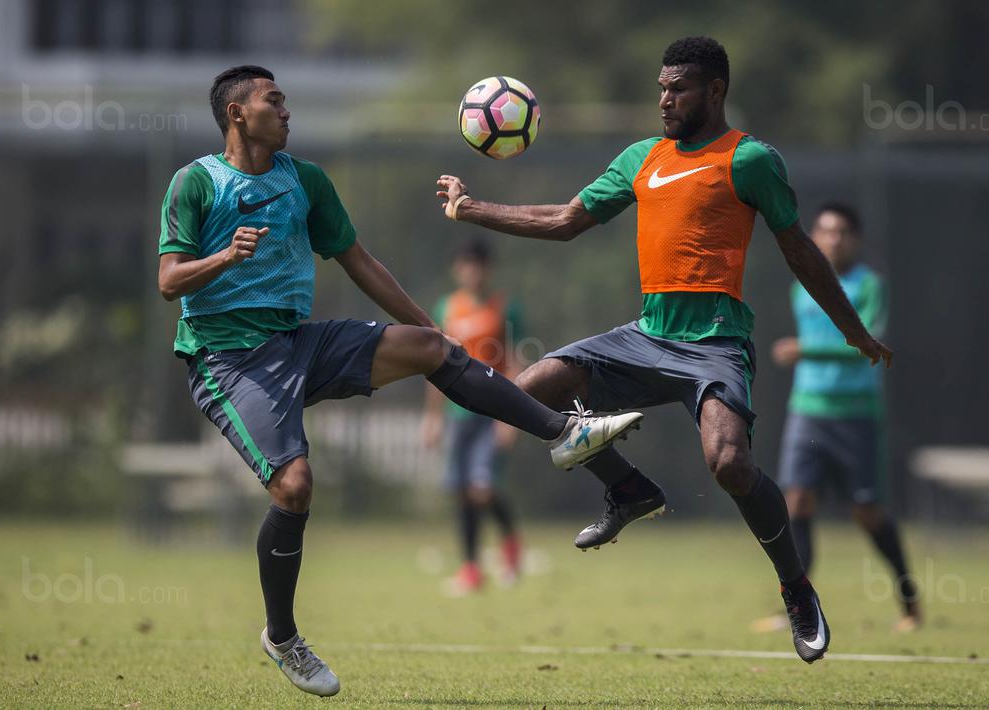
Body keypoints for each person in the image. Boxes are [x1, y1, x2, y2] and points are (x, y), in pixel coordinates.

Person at [157, 65, 645, 697]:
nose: (285, 110)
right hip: (228, 358)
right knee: (295, 486)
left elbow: (359, 262)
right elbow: (169, 281)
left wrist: (431, 335)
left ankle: (562, 432)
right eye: (272, 101)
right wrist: (226, 256)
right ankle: (282, 636)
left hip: (299, 342)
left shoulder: (305, 181)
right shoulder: (195, 182)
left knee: (424, 345)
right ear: (236, 114)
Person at [435, 37, 892, 663]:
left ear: (716, 91)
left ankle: (796, 586)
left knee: (729, 463)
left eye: (678, 87)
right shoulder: (642, 157)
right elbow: (566, 220)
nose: (665, 98)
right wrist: (472, 208)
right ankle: (628, 489)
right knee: (528, 389)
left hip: (715, 344)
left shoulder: (751, 159)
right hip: (646, 335)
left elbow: (800, 251)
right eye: (661, 87)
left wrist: (852, 329)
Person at [770, 202, 921, 631]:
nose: (831, 239)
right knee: (796, 501)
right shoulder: (803, 284)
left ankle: (909, 600)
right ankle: (801, 605)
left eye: (840, 232)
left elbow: (869, 343)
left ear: (855, 238)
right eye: (823, 231)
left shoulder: (870, 285)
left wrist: (805, 351)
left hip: (857, 414)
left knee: (866, 512)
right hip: (807, 411)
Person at [421, 240, 526, 595]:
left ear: (488, 269)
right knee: (462, 492)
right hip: (457, 413)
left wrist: (511, 418)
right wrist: (432, 418)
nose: (472, 272)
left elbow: (513, 362)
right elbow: (435, 365)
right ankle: (471, 569)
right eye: (466, 265)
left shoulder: (505, 308)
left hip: (492, 411)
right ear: (457, 269)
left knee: (482, 488)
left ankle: (511, 546)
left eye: (478, 265)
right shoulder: (447, 307)